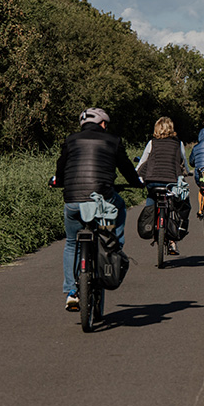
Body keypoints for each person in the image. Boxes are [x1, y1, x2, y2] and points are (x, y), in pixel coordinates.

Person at [53, 107, 143, 311]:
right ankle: (114, 246)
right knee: (119, 205)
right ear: (103, 123)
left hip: (73, 199)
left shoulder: (70, 140)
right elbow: (126, 167)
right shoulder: (113, 140)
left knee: (70, 243)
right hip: (103, 197)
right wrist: (137, 183)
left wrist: (58, 182)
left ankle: (71, 292)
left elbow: (61, 167)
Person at [135, 116, 189, 255]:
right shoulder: (178, 143)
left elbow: (143, 162)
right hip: (170, 181)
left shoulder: (152, 143)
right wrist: (188, 172)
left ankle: (150, 224)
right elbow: (183, 161)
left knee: (151, 198)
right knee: (172, 207)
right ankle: (172, 241)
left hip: (152, 180)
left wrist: (135, 174)